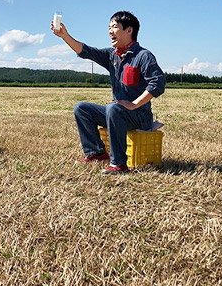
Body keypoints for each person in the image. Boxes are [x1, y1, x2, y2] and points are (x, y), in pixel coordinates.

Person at [52, 11, 166, 173]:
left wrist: (134, 104)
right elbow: (85, 51)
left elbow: (158, 83)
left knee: (113, 108)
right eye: (109, 27)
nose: (110, 31)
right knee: (82, 108)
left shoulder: (143, 56)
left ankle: (119, 164)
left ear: (129, 30)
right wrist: (65, 36)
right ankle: (96, 153)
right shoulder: (112, 56)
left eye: (115, 27)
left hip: (139, 116)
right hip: (116, 113)